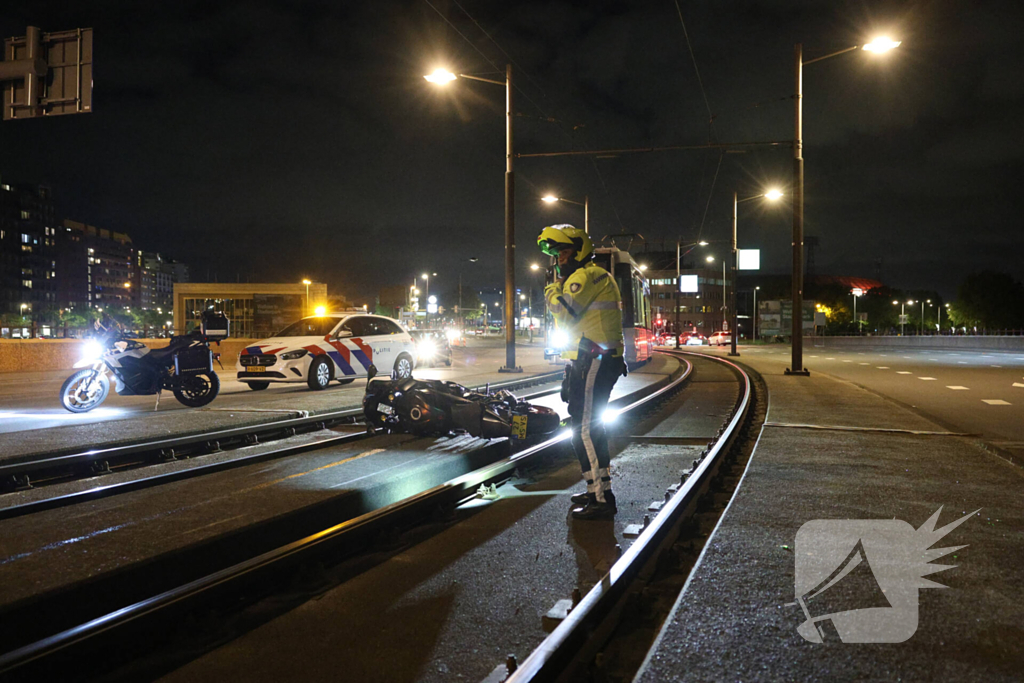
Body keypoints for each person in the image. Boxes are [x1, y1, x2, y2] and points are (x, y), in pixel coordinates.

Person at [538, 224, 626, 520]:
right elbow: (578, 327)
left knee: (584, 430)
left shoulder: (586, 276)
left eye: (564, 251)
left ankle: (601, 500)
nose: (560, 259)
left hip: (596, 360)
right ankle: (595, 489)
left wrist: (550, 288)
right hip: (589, 359)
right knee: (586, 428)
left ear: (579, 250)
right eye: (557, 254)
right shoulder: (583, 276)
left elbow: (564, 311)